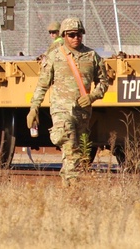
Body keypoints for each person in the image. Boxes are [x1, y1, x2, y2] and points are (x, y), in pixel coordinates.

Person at [27, 17, 110, 185]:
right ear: (64, 35)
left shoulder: (92, 56)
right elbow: (42, 85)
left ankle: (68, 186)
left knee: (76, 151)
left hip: (83, 111)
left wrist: (92, 96)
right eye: (71, 35)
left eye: (79, 34)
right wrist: (33, 108)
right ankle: (73, 187)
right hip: (61, 110)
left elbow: (104, 82)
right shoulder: (54, 56)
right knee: (68, 142)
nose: (76, 38)